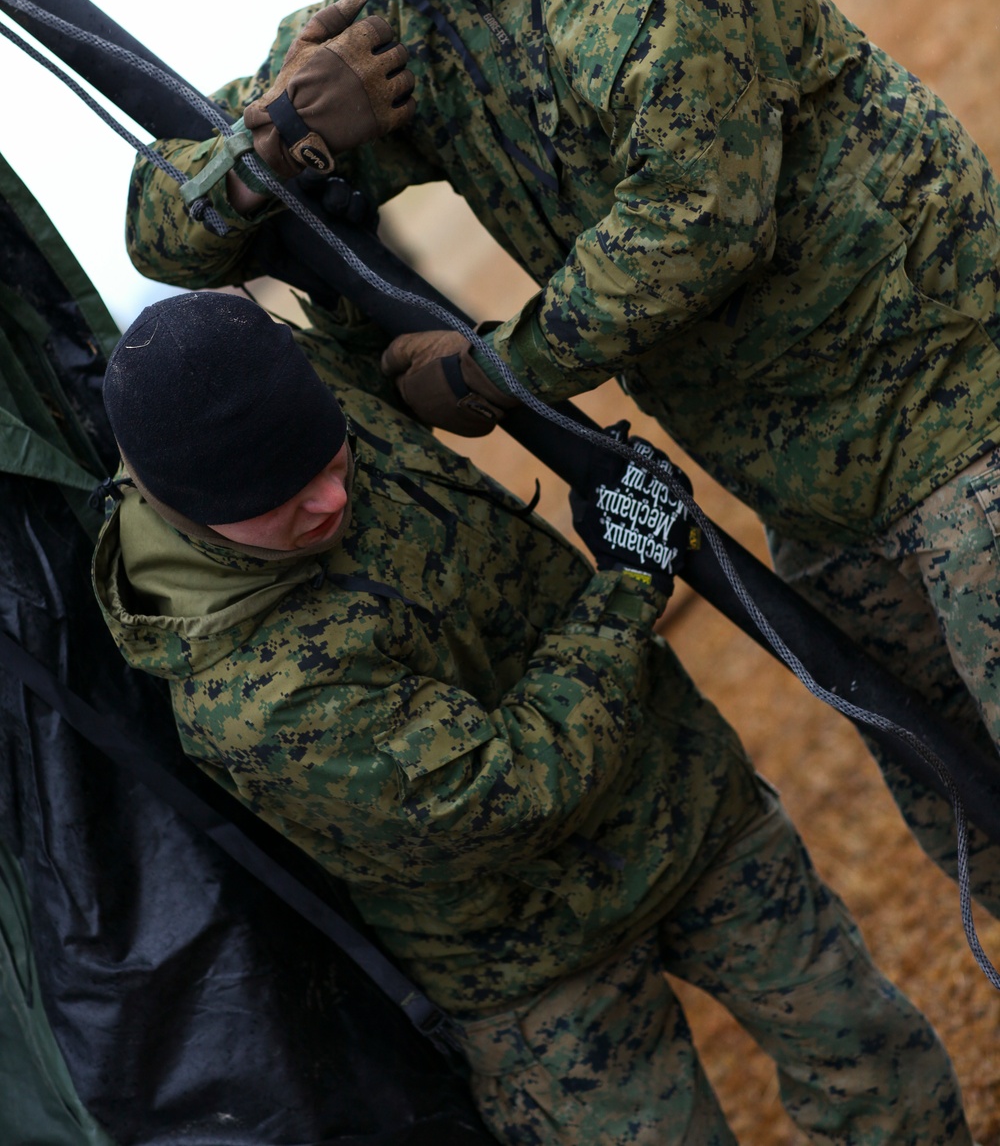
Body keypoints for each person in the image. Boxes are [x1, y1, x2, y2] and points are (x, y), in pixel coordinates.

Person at [123, 0, 1000, 916]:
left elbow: (696, 221)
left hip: (958, 411)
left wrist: (498, 372)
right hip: (813, 499)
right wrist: (270, 146)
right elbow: (168, 237)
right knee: (963, 808)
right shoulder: (393, 27)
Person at [92, 287, 972, 1146]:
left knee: (874, 1063)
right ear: (190, 509)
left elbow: (368, 343)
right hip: (540, 975)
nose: (329, 501)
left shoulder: (296, 387)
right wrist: (626, 587)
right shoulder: (250, 697)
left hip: (684, 811)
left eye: (331, 459)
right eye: (278, 503)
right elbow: (510, 792)